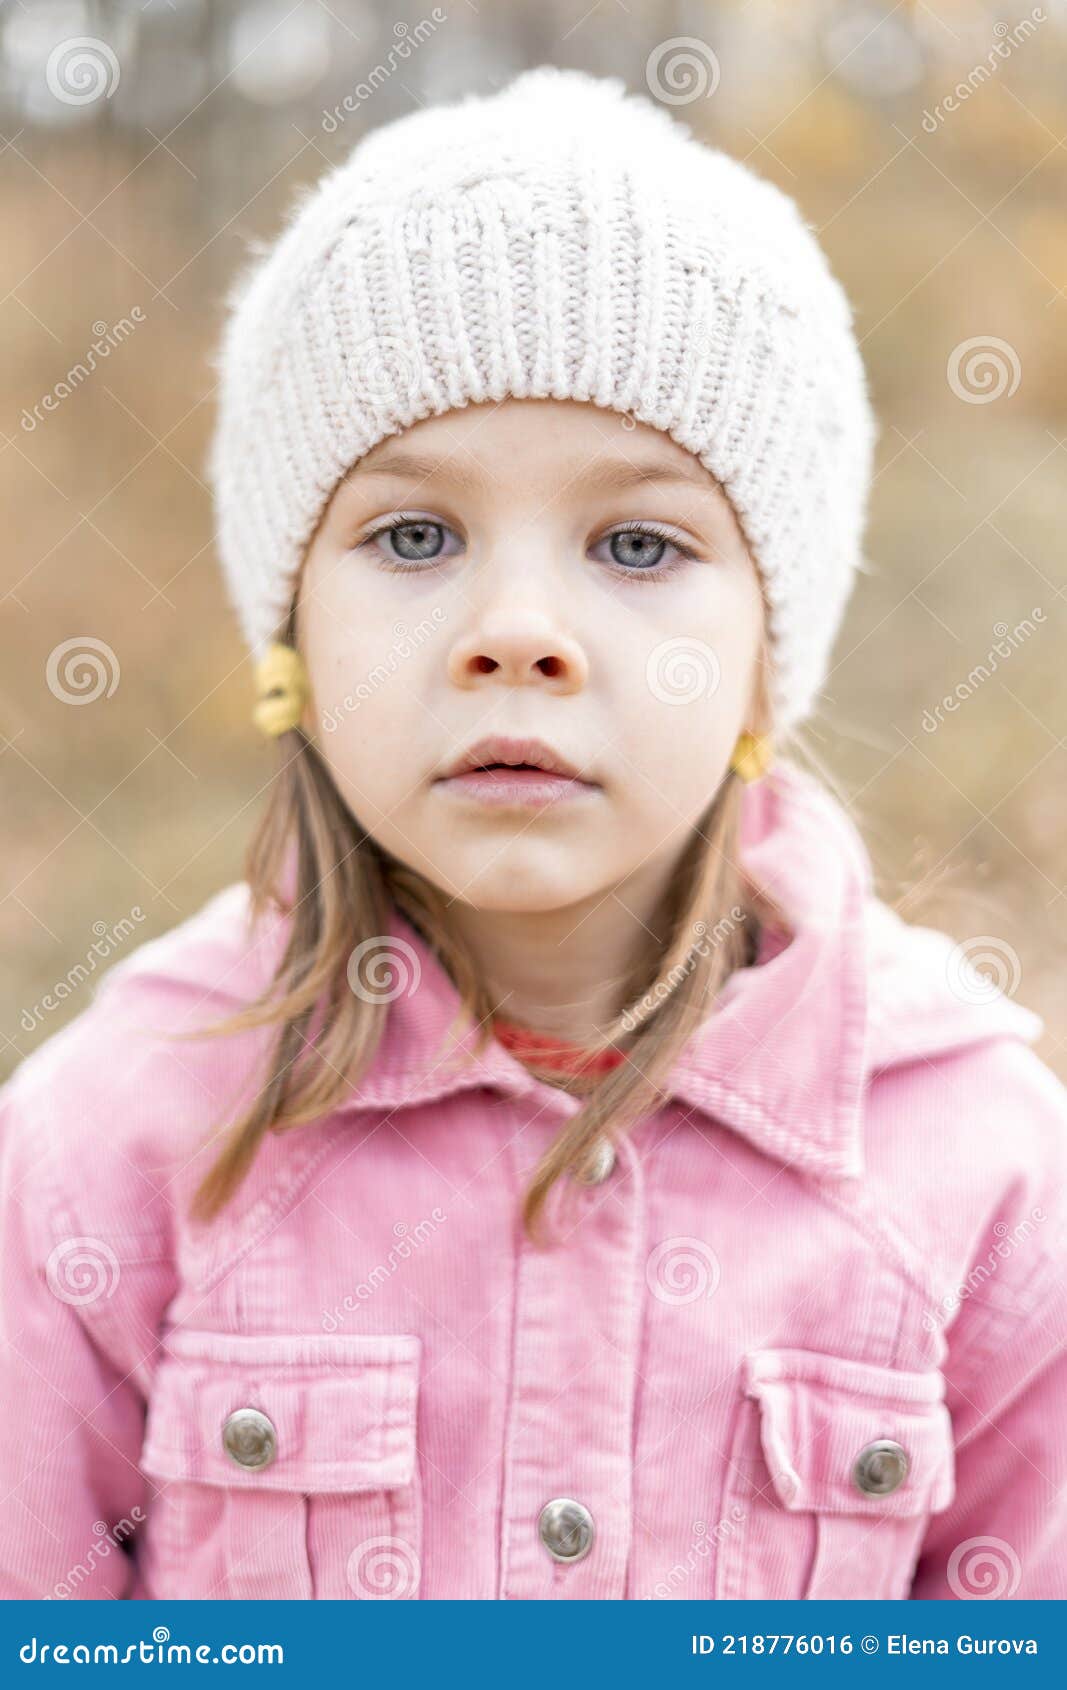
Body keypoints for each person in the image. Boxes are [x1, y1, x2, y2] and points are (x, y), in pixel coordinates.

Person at [1, 66, 1064, 1603]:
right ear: (288, 624)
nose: (518, 632)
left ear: (770, 654)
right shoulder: (105, 1141)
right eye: (414, 536)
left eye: (639, 542)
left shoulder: (993, 1176)